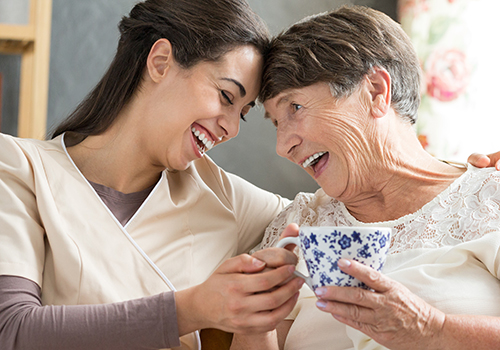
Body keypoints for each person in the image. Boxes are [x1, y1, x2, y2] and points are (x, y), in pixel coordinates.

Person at [0, 1, 305, 349]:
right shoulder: (19, 168)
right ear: (160, 62)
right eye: (225, 96)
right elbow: (12, 330)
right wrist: (192, 309)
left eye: (243, 113)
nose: (231, 127)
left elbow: (331, 214)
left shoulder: (224, 199)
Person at [231, 5, 500, 350]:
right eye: (275, 123)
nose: (283, 146)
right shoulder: (299, 226)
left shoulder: (489, 196)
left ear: (375, 91)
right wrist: (255, 326)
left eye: (294, 108)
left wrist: (433, 329)